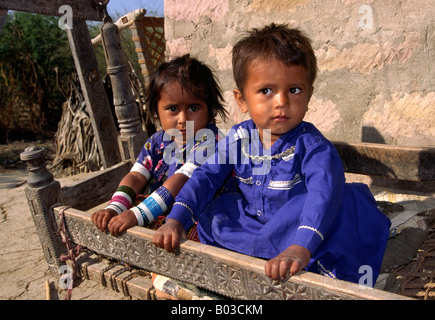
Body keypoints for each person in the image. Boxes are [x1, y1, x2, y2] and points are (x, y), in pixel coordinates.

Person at [152, 24, 391, 284]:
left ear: (309, 95)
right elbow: (205, 176)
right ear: (242, 100)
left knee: (340, 207)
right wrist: (176, 219)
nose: (281, 102)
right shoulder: (238, 138)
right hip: (256, 224)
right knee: (217, 211)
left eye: (294, 90)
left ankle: (302, 259)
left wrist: (301, 246)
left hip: (301, 224)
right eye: (266, 91)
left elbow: (322, 196)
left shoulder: (313, 147)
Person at [91, 54, 229, 237]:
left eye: (194, 108)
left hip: (196, 213)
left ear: (209, 109)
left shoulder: (211, 141)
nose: (183, 120)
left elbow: (182, 180)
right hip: (159, 210)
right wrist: (116, 207)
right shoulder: (157, 142)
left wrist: (137, 214)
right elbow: (136, 176)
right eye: (172, 109)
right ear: (156, 110)